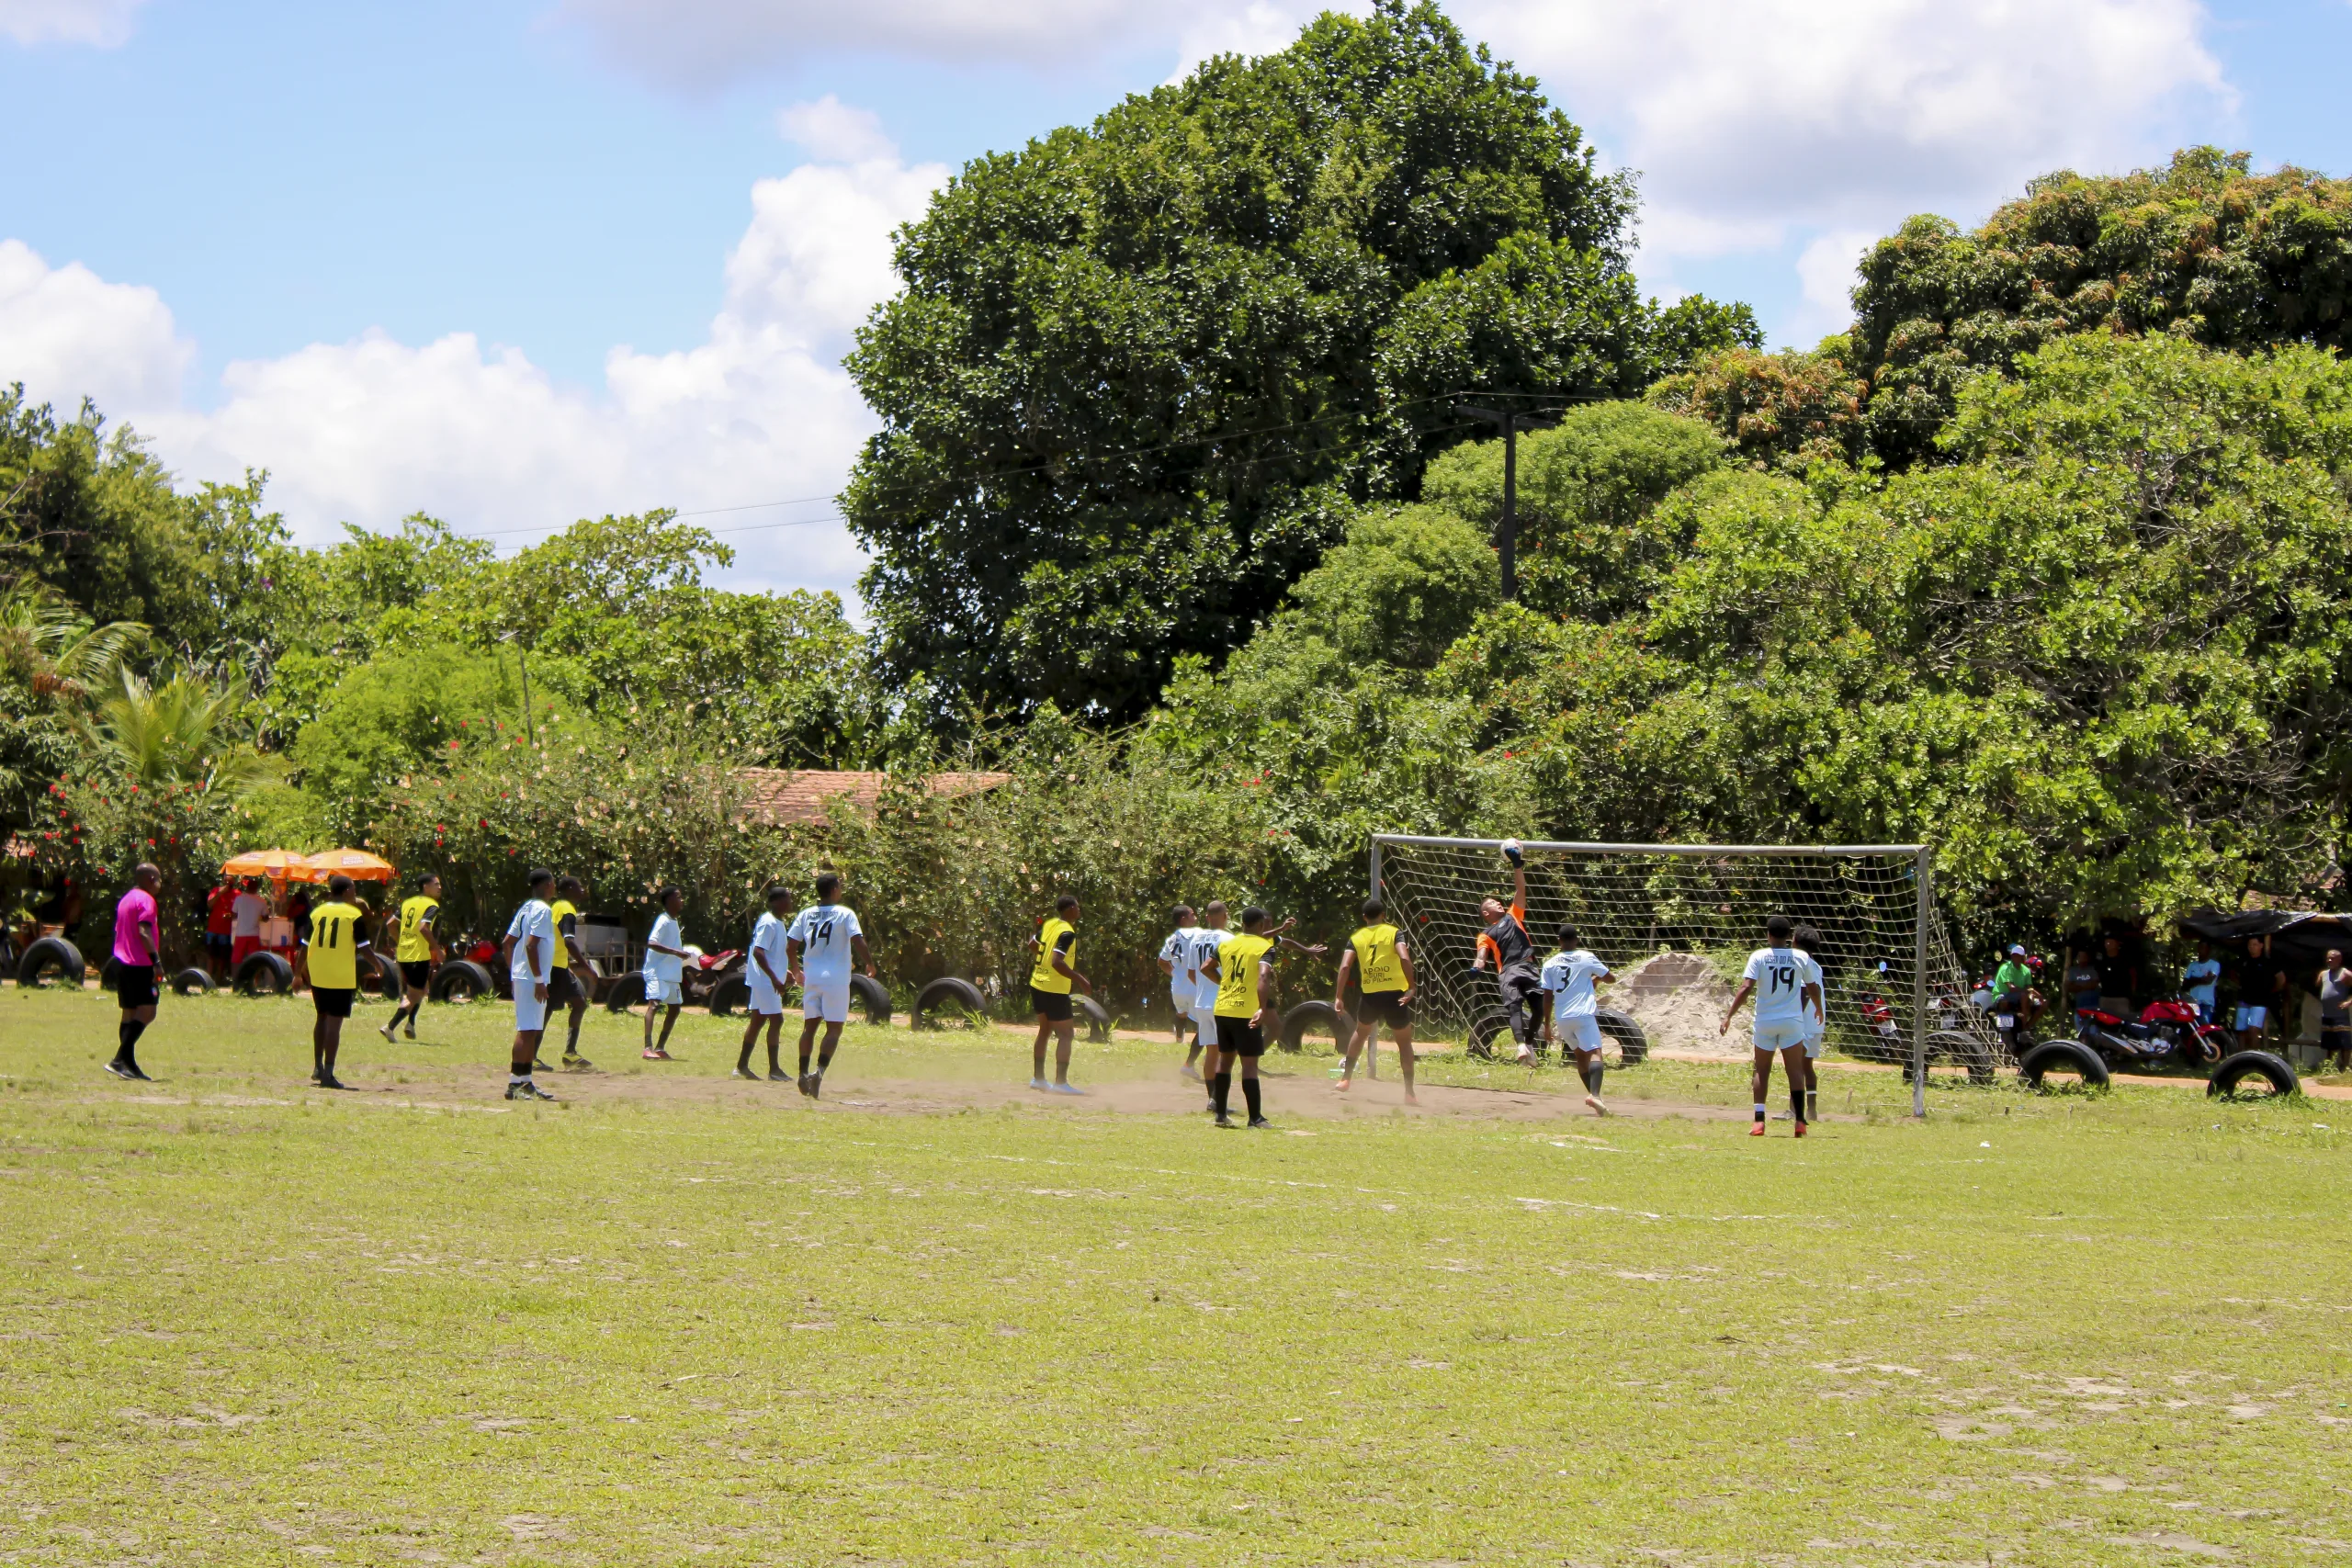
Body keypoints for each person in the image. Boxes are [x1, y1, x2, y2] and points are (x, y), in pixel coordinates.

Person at [1720, 913, 1821, 1137]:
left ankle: (1758, 1121)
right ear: (1789, 936)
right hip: (1792, 1021)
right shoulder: (1800, 958)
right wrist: (1819, 1010)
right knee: (1794, 1070)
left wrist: (1729, 1015)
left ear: (1768, 935)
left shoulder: (1759, 956)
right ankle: (1800, 1121)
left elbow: (1746, 987)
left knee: (1761, 1070)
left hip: (1765, 1020)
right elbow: (1813, 987)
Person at [786, 872, 876, 1100]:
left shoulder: (806, 914)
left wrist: (796, 970)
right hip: (835, 979)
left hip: (812, 978)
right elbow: (857, 940)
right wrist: (870, 964)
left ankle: (803, 1073)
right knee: (834, 1029)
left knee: (809, 1028)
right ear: (835, 889)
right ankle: (819, 1073)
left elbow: (791, 946)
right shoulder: (845, 914)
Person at [1202, 905, 1280, 1128]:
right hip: (1245, 1011)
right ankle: (1255, 1118)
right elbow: (1263, 977)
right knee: (1249, 1065)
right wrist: (1262, 1008)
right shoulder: (1264, 947)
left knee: (1225, 1061)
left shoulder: (1227, 944)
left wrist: (1223, 984)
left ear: (1242, 923)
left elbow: (1206, 967)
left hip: (1223, 1008)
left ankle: (1220, 1115)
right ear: (1261, 924)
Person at [1335, 896, 1419, 1102]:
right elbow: (1404, 957)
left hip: (1371, 994)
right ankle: (1409, 1093)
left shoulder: (1356, 937)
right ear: (1383, 915)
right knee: (1404, 1042)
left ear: (1364, 917)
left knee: (1361, 1032)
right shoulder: (1394, 932)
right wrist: (1411, 986)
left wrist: (1338, 996)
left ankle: (1346, 1079)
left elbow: (1345, 966)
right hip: (1395, 994)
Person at [1470, 841, 1544, 1065]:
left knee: (1539, 1010)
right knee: (1514, 1007)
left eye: (1498, 901)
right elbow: (1482, 954)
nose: (1499, 903)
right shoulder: (1486, 932)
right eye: (1493, 903)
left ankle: (1529, 1044)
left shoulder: (1514, 915)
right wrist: (1477, 967)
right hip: (1508, 971)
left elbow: (1520, 890)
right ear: (1486, 912)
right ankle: (1520, 1044)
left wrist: (1517, 865)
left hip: (1529, 966)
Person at [1539, 920, 1613, 1116]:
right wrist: (1596, 978)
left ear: (1559, 941)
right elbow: (1610, 978)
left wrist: (1547, 1025)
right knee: (1595, 1052)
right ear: (1577, 940)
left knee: (1580, 1056)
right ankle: (1595, 1095)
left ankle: (1596, 1099)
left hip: (1563, 1018)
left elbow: (1547, 998)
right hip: (1583, 1015)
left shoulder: (1549, 964)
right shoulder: (1586, 958)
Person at [304, 874, 368, 1089]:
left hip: (318, 972)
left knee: (321, 1017)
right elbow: (364, 947)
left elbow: (304, 945)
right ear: (347, 891)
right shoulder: (353, 914)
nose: (355, 892)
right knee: (334, 1023)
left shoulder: (316, 912)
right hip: (340, 975)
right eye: (354, 888)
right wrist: (378, 966)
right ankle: (329, 1074)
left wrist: (297, 974)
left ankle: (318, 1067)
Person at [500, 869, 559, 1101]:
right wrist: (537, 980)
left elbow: (507, 942)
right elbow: (531, 946)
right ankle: (515, 1084)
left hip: (524, 977)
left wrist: (514, 971)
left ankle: (526, 1082)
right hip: (532, 979)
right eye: (553, 883)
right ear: (546, 885)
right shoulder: (543, 910)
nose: (555, 887)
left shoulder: (526, 907)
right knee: (526, 1030)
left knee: (532, 1030)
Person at [1026, 894, 1093, 1095]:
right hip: (1054, 989)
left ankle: (1039, 1079)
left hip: (1037, 983)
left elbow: (1032, 944)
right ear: (1070, 909)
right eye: (1077, 907)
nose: (1079, 910)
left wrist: (1044, 957)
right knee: (1066, 1034)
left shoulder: (1050, 924)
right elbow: (1057, 962)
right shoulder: (1067, 932)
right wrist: (1081, 980)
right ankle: (1061, 1083)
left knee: (1044, 1031)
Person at [107, 863, 163, 1081]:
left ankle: (127, 1064)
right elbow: (143, 931)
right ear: (151, 880)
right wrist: (156, 961)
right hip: (140, 964)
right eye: (159, 880)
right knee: (148, 1011)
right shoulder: (147, 900)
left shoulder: (127, 899)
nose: (160, 885)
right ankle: (120, 1059)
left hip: (121, 961)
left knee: (130, 1012)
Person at [736, 883, 796, 1082]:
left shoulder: (778, 923)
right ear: (777, 902)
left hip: (768, 980)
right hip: (765, 982)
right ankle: (774, 1070)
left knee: (758, 1021)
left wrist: (783, 971)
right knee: (777, 1020)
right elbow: (758, 951)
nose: (790, 901)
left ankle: (741, 1066)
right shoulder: (768, 922)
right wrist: (774, 978)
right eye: (787, 897)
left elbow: (771, 953)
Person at [381, 872, 443, 1043]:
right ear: (426, 887)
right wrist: (437, 949)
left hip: (403, 954)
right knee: (414, 996)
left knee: (422, 988)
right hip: (418, 955)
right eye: (436, 884)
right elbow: (424, 928)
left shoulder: (408, 903)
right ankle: (390, 1026)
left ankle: (411, 1024)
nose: (439, 888)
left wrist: (401, 940)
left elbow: (390, 924)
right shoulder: (431, 905)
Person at [547, 874, 594, 1070]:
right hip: (555, 966)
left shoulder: (557, 906)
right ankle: (532, 1056)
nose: (583, 889)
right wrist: (586, 966)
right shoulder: (566, 909)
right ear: (569, 890)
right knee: (548, 1010)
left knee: (579, 1003)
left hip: (557, 965)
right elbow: (568, 940)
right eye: (579, 886)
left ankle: (570, 1053)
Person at [640, 886, 689, 1060]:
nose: (682, 900)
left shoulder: (674, 921)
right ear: (669, 901)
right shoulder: (663, 920)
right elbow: (651, 943)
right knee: (653, 1005)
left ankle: (660, 1048)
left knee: (675, 1009)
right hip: (657, 972)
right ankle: (648, 1048)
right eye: (678, 897)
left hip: (671, 974)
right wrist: (677, 952)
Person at [1187, 903, 1230, 1097]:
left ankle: (1212, 1098)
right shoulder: (1228, 938)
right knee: (1225, 1053)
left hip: (1201, 1002)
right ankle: (1219, 1099)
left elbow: (1191, 973)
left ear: (1206, 917)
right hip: (1222, 1002)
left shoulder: (1196, 938)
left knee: (1212, 1052)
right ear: (1226, 916)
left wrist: (1204, 989)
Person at [1792, 923, 1827, 1121]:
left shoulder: (1800, 963)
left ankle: (1793, 1110)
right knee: (1807, 1066)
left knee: (1795, 1066)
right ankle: (1812, 1110)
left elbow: (1805, 992)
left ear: (1795, 942)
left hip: (1804, 1021)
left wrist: (1794, 1016)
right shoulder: (1816, 965)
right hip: (1817, 1022)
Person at [2233, 936, 2285, 1051]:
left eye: (2254, 944)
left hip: (2260, 1000)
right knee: (2241, 1030)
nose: (2252, 947)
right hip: (2244, 999)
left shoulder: (2268, 962)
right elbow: (2233, 973)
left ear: (2261, 945)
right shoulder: (2244, 960)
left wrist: (2273, 990)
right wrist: (2239, 984)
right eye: (2250, 945)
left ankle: (2254, 1055)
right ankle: (2241, 1056)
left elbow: (2281, 979)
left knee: (2254, 1029)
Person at [1158, 905, 1198, 1051]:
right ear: (1184, 919)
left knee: (1181, 1013)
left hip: (1178, 987)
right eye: (1192, 915)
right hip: (1195, 985)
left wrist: (1175, 973)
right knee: (1206, 1019)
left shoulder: (1172, 939)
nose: (1196, 918)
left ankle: (1179, 1038)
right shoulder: (1198, 934)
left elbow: (1161, 961)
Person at [2320, 950, 2352, 1074]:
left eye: (2332, 958)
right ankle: (2329, 1069)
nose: (2329, 961)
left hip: (2340, 1015)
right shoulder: (2323, 974)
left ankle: (2345, 1069)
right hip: (2327, 1015)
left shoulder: (2345, 973)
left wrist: (2349, 1002)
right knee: (2330, 1044)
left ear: (2339, 960)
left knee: (2345, 1044)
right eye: (2328, 958)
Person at [230, 877, 267, 972]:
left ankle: (236, 982)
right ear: (256, 889)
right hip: (254, 933)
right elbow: (266, 918)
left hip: (241, 933)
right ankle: (253, 982)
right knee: (254, 959)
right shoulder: (262, 901)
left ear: (247, 887)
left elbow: (234, 915)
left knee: (236, 959)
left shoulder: (239, 899)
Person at [2096, 933, 2138, 1020]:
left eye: (2110, 942)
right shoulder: (2102, 960)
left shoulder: (2125, 959)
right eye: (2106, 943)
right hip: (2106, 997)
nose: (2107, 945)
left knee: (2122, 1022)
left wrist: (2131, 992)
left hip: (2121, 998)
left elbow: (2133, 975)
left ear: (2117, 944)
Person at [2182, 941, 2222, 1023]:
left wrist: (2192, 980)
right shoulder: (2192, 965)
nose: (2201, 950)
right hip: (2193, 1003)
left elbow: (2208, 981)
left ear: (2208, 950)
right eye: (2199, 947)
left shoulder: (2214, 964)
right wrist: (2201, 979)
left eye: (2203, 948)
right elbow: (2185, 985)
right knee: (2189, 1026)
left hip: (2206, 1003)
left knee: (2204, 1025)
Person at [204, 880, 236, 980]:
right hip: (213, 929)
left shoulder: (237, 894)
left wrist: (231, 916)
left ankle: (218, 979)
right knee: (211, 954)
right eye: (226, 880)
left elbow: (238, 911)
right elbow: (210, 905)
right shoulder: (216, 890)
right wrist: (220, 893)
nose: (228, 883)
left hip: (226, 930)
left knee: (223, 956)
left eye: (230, 881)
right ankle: (208, 979)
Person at [2064, 946, 2103, 1020]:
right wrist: (2084, 986)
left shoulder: (2093, 969)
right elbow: (2068, 987)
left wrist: (2079, 987)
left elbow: (2094, 984)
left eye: (2084, 956)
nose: (2081, 958)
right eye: (2079, 956)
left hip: (2094, 1006)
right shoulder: (2073, 970)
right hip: (2080, 1006)